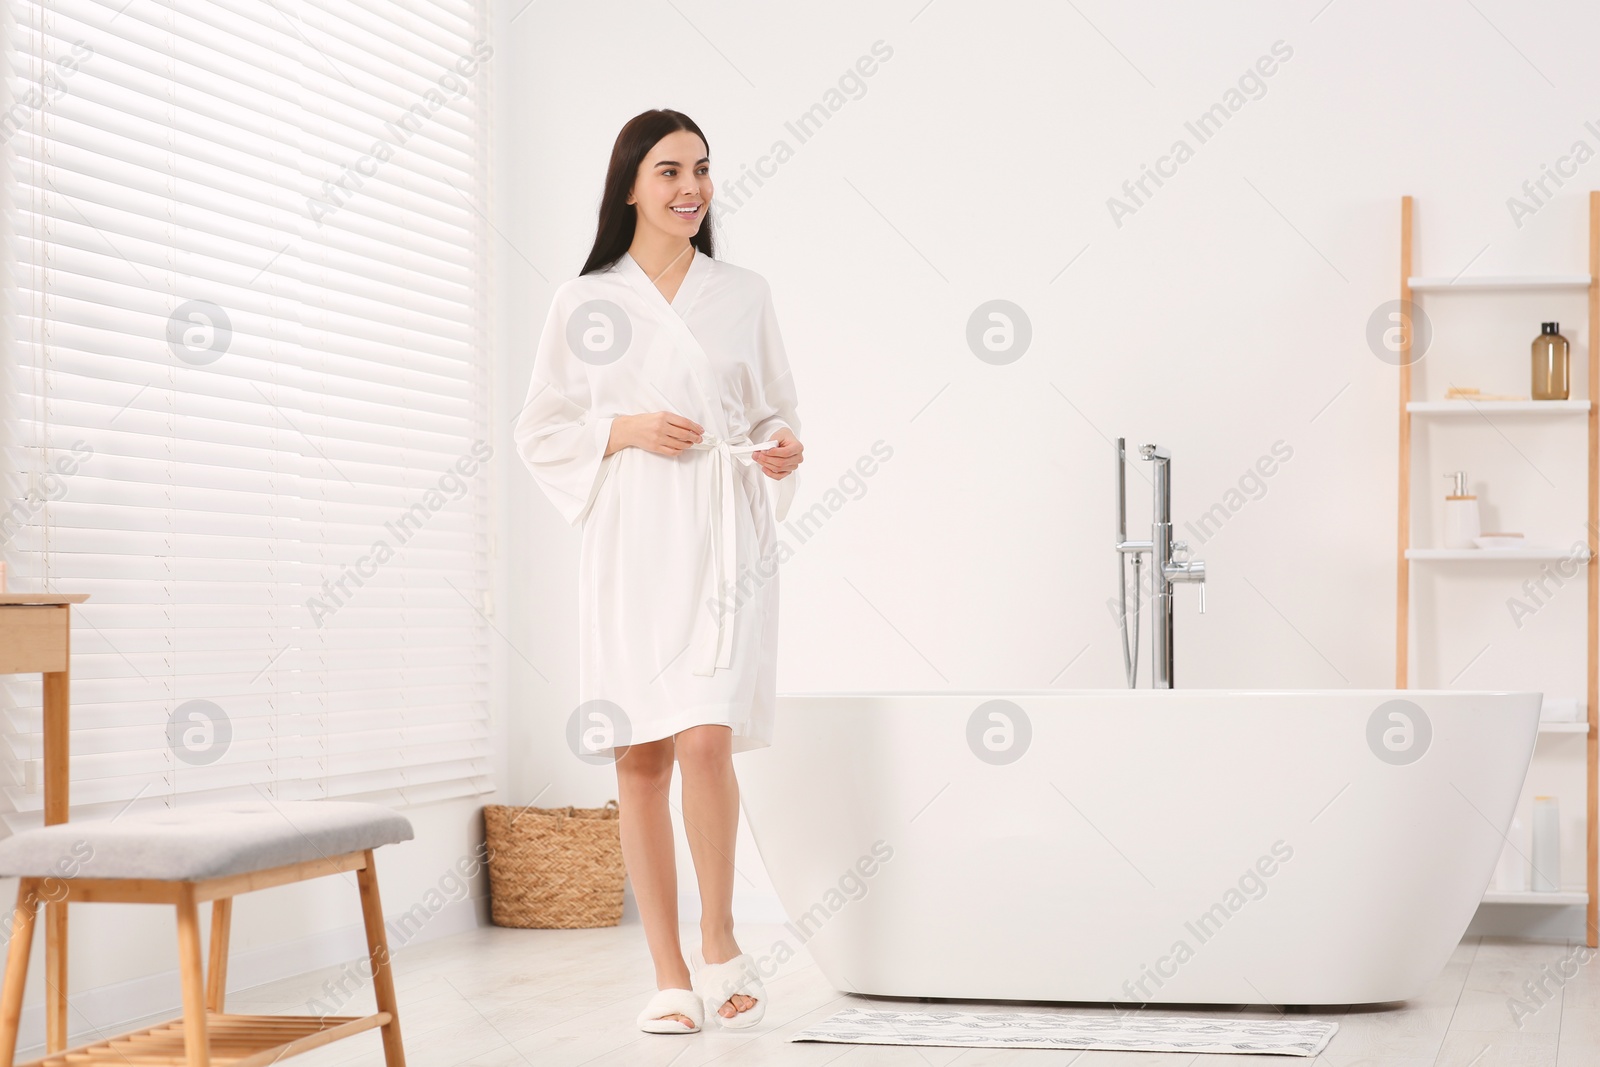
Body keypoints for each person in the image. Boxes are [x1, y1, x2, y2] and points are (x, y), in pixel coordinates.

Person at [513, 108, 804, 1035]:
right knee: (640, 751)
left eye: (703, 171)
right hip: (632, 533)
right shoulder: (585, 301)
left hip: (721, 531)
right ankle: (668, 972)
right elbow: (541, 429)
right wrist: (625, 429)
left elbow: (770, 412)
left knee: (705, 737)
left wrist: (779, 447)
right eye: (670, 170)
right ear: (630, 183)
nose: (691, 188)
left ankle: (721, 944)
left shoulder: (743, 293)